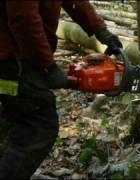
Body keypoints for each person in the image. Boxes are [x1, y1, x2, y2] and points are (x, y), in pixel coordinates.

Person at [0, 1, 122, 178]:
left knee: (13, 117)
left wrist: (99, 29)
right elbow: (23, 18)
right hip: (12, 59)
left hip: (14, 58)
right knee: (38, 124)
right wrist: (48, 66)